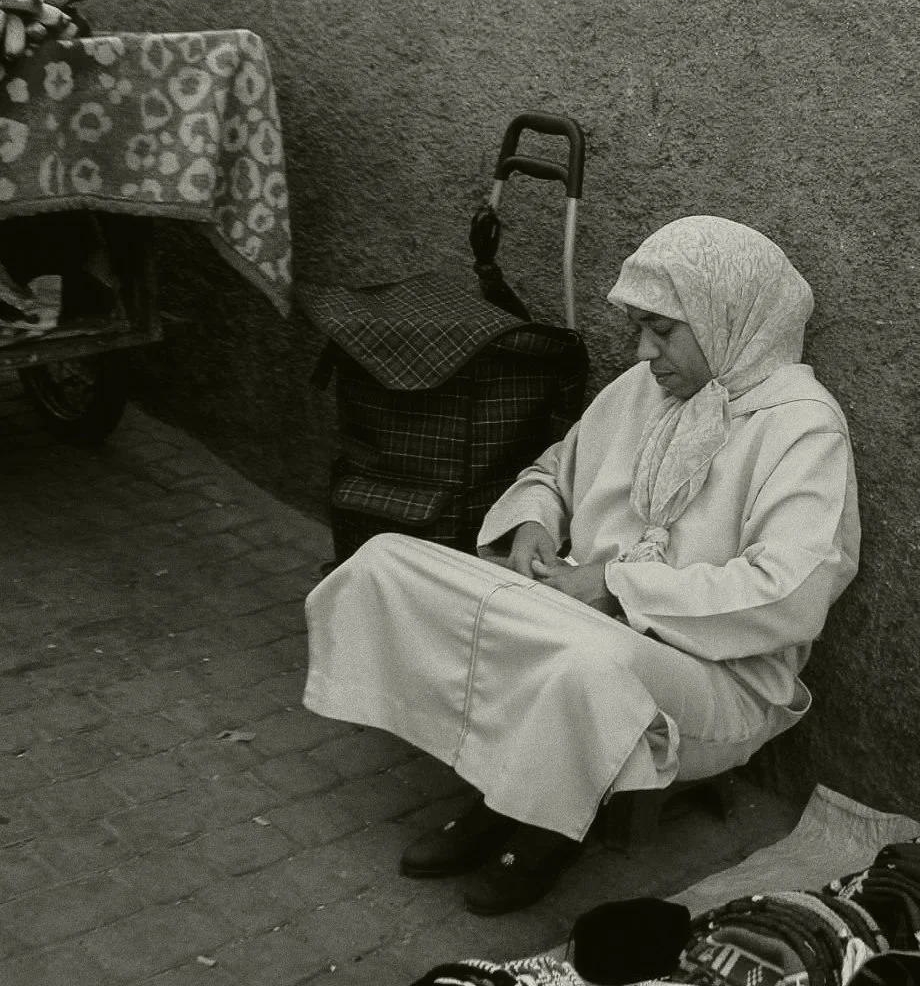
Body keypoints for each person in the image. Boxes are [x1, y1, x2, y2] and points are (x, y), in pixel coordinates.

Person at [304, 216, 860, 915]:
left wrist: (615, 586)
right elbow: (553, 471)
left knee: (585, 663)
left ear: (729, 318)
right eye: (640, 329)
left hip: (714, 674)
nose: (644, 350)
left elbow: (790, 595)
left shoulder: (804, 428)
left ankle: (542, 826)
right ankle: (499, 783)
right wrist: (534, 522)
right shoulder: (641, 389)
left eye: (663, 330)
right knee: (387, 562)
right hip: (576, 612)